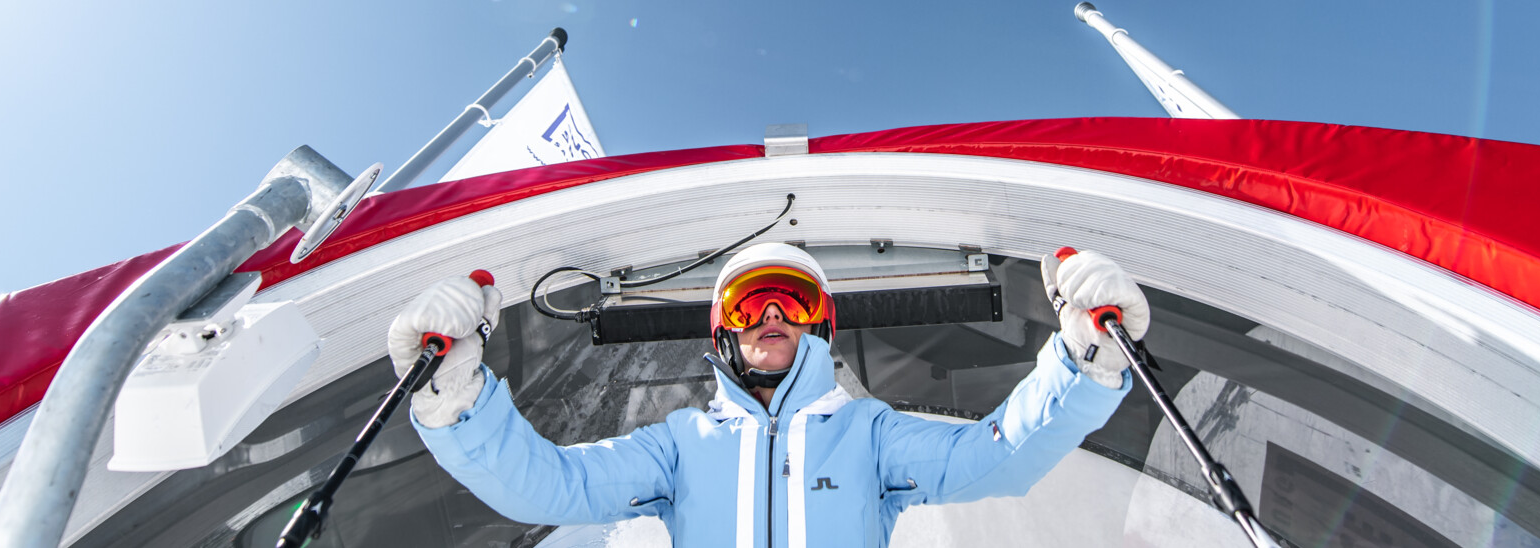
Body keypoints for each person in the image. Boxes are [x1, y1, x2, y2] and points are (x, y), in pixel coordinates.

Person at [387, 243, 1149, 547]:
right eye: (753, 304)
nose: (772, 318)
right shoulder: (680, 445)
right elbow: (549, 485)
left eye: (790, 302)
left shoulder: (871, 435)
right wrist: (453, 395)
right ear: (724, 329)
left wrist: (1085, 361)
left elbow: (999, 458)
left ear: (820, 322)